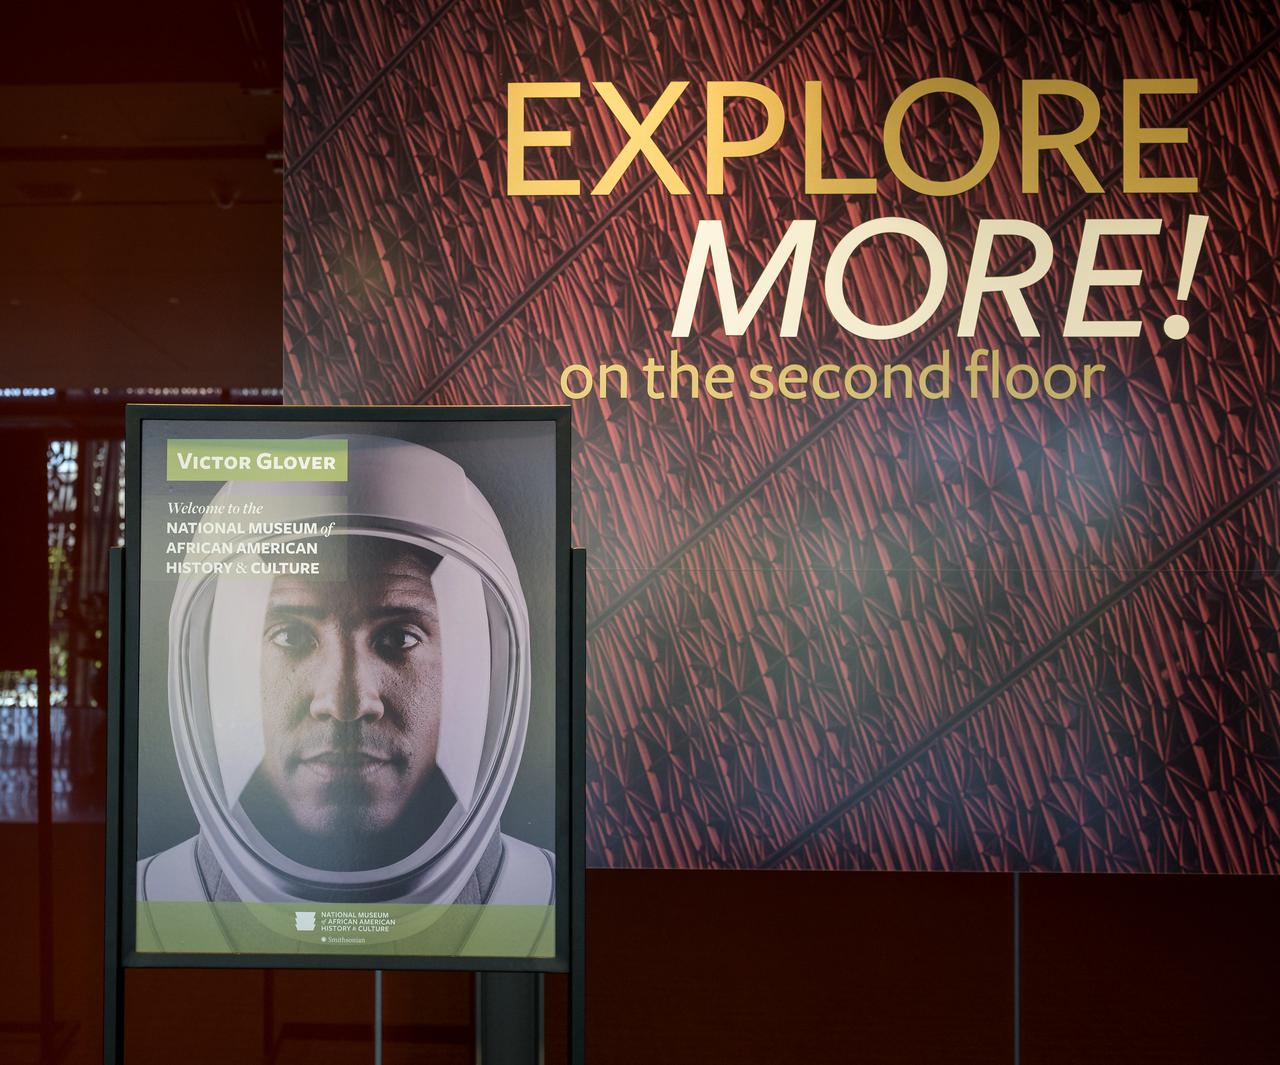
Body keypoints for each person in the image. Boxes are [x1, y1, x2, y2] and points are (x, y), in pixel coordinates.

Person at [137, 435, 553, 955]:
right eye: (291, 636)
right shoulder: (149, 898)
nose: (345, 703)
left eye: (398, 638)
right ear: (211, 660)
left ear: (484, 662)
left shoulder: (548, 896)